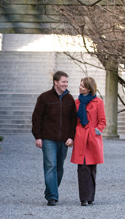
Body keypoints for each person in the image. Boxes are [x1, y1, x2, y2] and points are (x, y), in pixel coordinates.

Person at [32, 71, 77, 206]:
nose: (66, 84)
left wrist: (71, 137)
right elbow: (36, 118)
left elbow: (73, 120)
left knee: (59, 168)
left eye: (67, 82)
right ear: (55, 82)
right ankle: (52, 196)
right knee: (50, 165)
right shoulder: (44, 98)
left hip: (64, 140)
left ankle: (50, 191)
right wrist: (38, 137)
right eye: (63, 81)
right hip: (48, 138)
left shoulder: (70, 99)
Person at [71, 77, 106, 206]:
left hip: (93, 138)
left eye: (83, 86)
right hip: (80, 137)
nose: (80, 88)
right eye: (80, 85)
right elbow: (73, 121)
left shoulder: (98, 102)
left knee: (92, 168)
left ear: (90, 88)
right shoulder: (76, 103)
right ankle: (84, 198)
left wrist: (97, 130)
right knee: (83, 167)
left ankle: (91, 196)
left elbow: (102, 121)